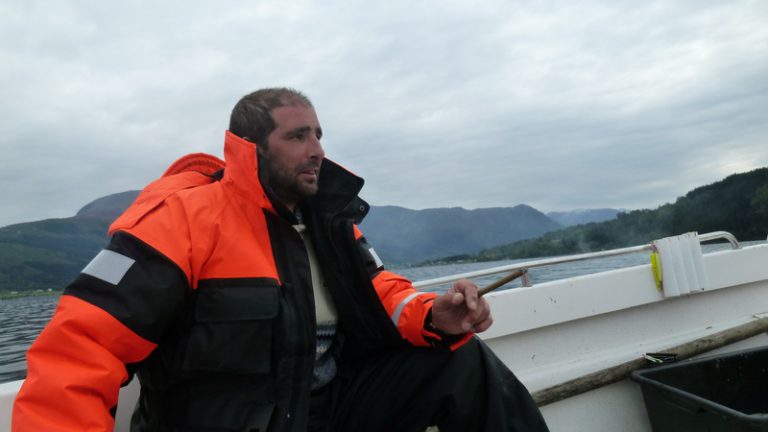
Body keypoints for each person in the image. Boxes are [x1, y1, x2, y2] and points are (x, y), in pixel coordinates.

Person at [13, 88, 548, 432]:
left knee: (460, 360)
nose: (317, 150)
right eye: (297, 136)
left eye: (318, 135)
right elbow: (80, 348)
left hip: (327, 410)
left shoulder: (332, 224)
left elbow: (381, 288)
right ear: (250, 147)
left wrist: (432, 314)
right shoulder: (179, 219)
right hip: (227, 421)